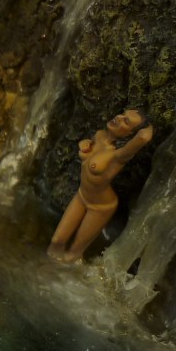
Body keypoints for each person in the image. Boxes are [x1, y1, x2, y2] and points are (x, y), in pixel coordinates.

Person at [47, 108, 153, 263]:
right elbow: (88, 154)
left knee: (74, 252)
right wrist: (85, 146)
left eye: (126, 121)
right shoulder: (99, 135)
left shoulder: (119, 155)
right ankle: (44, 270)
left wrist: (149, 123)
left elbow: (144, 137)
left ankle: (66, 275)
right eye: (122, 114)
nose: (119, 117)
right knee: (56, 241)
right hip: (82, 195)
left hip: (101, 206)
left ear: (130, 134)